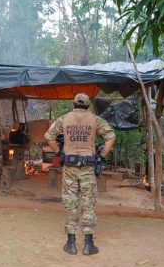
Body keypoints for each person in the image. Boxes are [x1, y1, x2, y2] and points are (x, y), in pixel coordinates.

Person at [45, 93, 116, 256]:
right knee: (88, 204)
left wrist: (59, 153)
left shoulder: (64, 119)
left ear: (73, 104)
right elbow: (111, 136)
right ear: (88, 105)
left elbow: (48, 136)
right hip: (88, 167)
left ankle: (71, 244)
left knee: (71, 203)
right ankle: (88, 245)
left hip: (69, 167)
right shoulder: (95, 119)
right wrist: (102, 156)